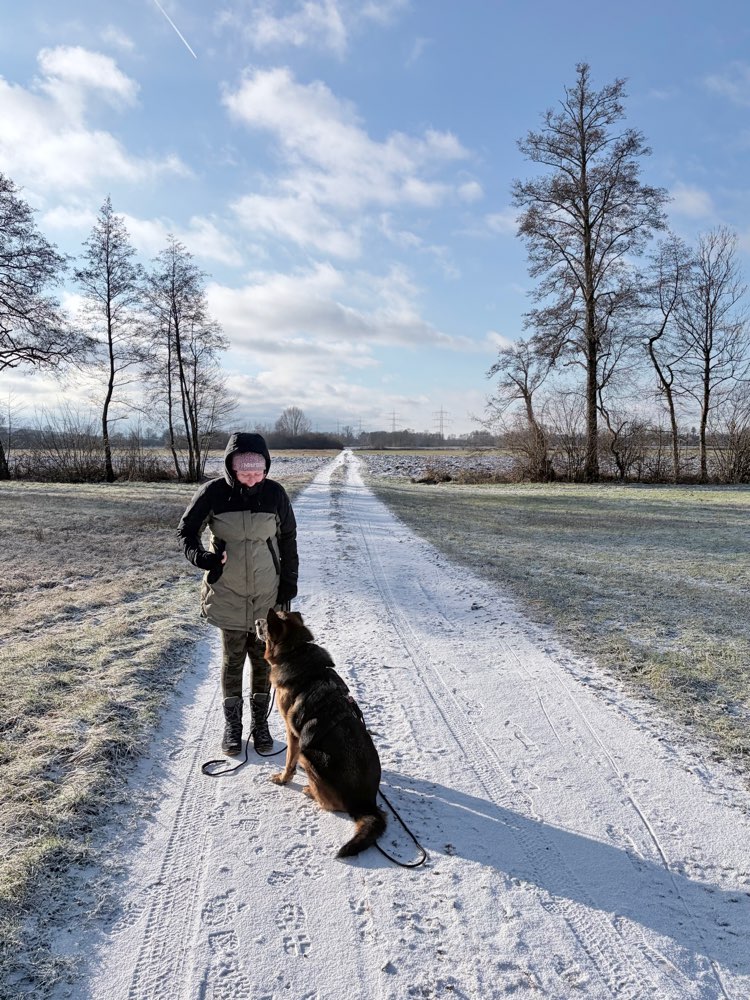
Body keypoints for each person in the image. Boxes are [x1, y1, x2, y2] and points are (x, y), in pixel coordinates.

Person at [177, 431, 298, 755]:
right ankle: (234, 726)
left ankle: (260, 725)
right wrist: (202, 558)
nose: (252, 477)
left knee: (263, 661)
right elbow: (186, 531)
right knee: (232, 660)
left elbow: (288, 540)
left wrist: (289, 581)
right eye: (244, 471)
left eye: (258, 470)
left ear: (266, 468)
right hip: (228, 591)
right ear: (230, 468)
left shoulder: (275, 494)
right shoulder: (213, 493)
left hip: (265, 594)